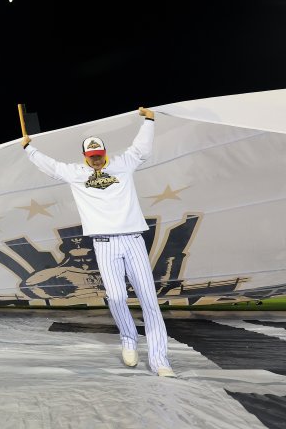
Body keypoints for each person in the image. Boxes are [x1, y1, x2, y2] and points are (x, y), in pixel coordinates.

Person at [21, 107, 175, 378]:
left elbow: (140, 150)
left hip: (133, 240)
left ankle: (160, 360)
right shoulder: (76, 173)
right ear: (85, 156)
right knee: (115, 296)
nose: (96, 160)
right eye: (92, 156)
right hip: (104, 244)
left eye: (99, 155)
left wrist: (149, 121)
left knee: (149, 299)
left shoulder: (122, 164)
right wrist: (29, 149)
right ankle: (128, 338)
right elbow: (52, 167)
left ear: (105, 153)